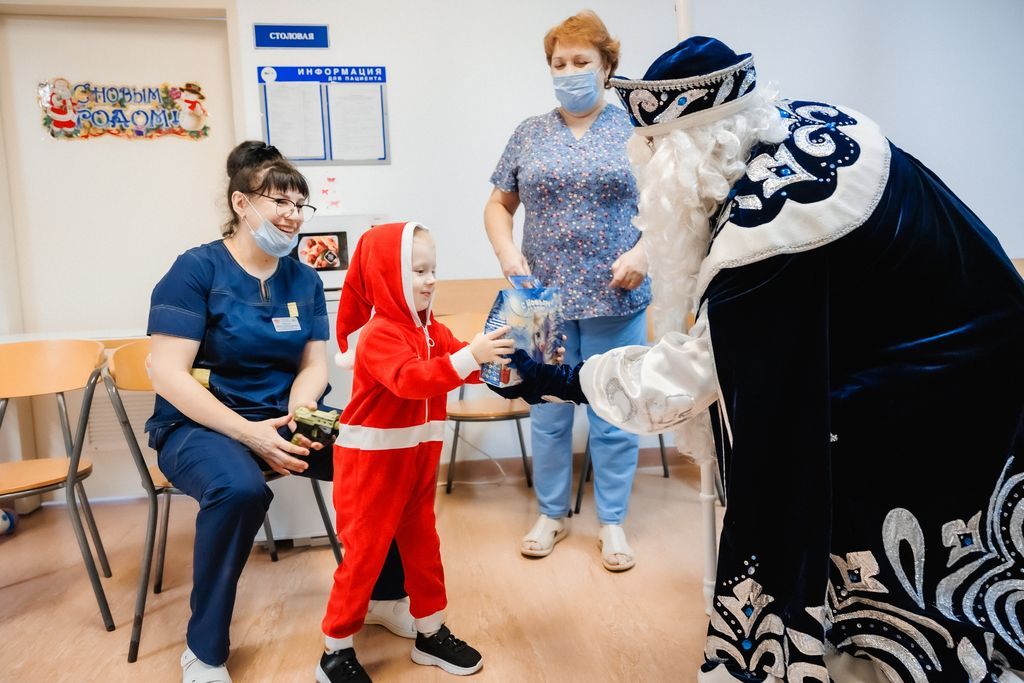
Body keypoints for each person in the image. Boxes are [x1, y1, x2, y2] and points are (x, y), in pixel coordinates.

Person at [491, 37, 1024, 682]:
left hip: (934, 391)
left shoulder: (766, 230)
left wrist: (558, 381)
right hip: (982, 346)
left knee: (904, 550)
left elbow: (695, 372)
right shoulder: (808, 127)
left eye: (653, 153)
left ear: (684, 155)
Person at [146, 142, 413, 683]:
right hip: (199, 425)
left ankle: (384, 596)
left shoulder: (303, 278)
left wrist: (300, 411)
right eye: (280, 202)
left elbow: (314, 364)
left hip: (284, 414)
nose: (293, 215)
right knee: (239, 490)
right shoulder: (196, 269)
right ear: (242, 203)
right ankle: (203, 649)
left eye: (300, 204)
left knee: (374, 453)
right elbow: (166, 372)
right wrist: (250, 434)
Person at [483, 10, 651, 571]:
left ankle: (612, 522)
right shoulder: (529, 133)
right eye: (559, 63)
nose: (569, 71)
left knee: (614, 411)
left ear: (607, 66)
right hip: (541, 300)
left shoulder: (637, 131)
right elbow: (498, 204)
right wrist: (507, 253)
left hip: (615, 294)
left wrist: (644, 252)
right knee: (548, 410)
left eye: (582, 61)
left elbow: (670, 206)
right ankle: (551, 514)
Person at [316, 222, 512, 682]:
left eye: (433, 270)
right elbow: (411, 380)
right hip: (371, 466)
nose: (430, 280)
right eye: (418, 271)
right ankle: (335, 650)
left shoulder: (433, 331)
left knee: (424, 549)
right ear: (386, 277)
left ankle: (430, 632)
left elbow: (463, 366)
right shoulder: (380, 335)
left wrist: (511, 360)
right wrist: (473, 356)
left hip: (417, 459)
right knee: (363, 558)